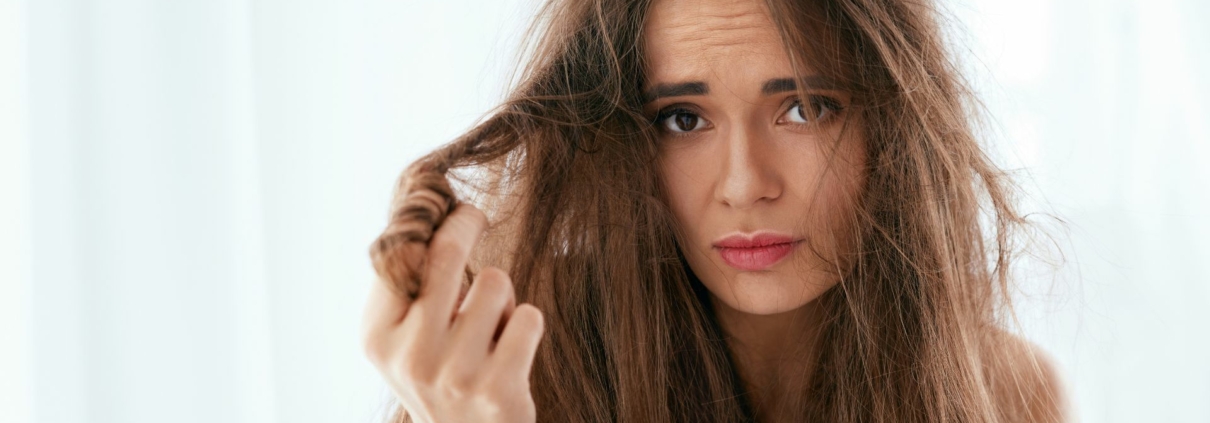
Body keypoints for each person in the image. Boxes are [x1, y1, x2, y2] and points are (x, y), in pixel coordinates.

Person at [360, 0, 1068, 421]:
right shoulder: (507, 372)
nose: (743, 184)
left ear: (897, 128)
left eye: (804, 109)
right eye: (683, 119)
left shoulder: (1003, 394)